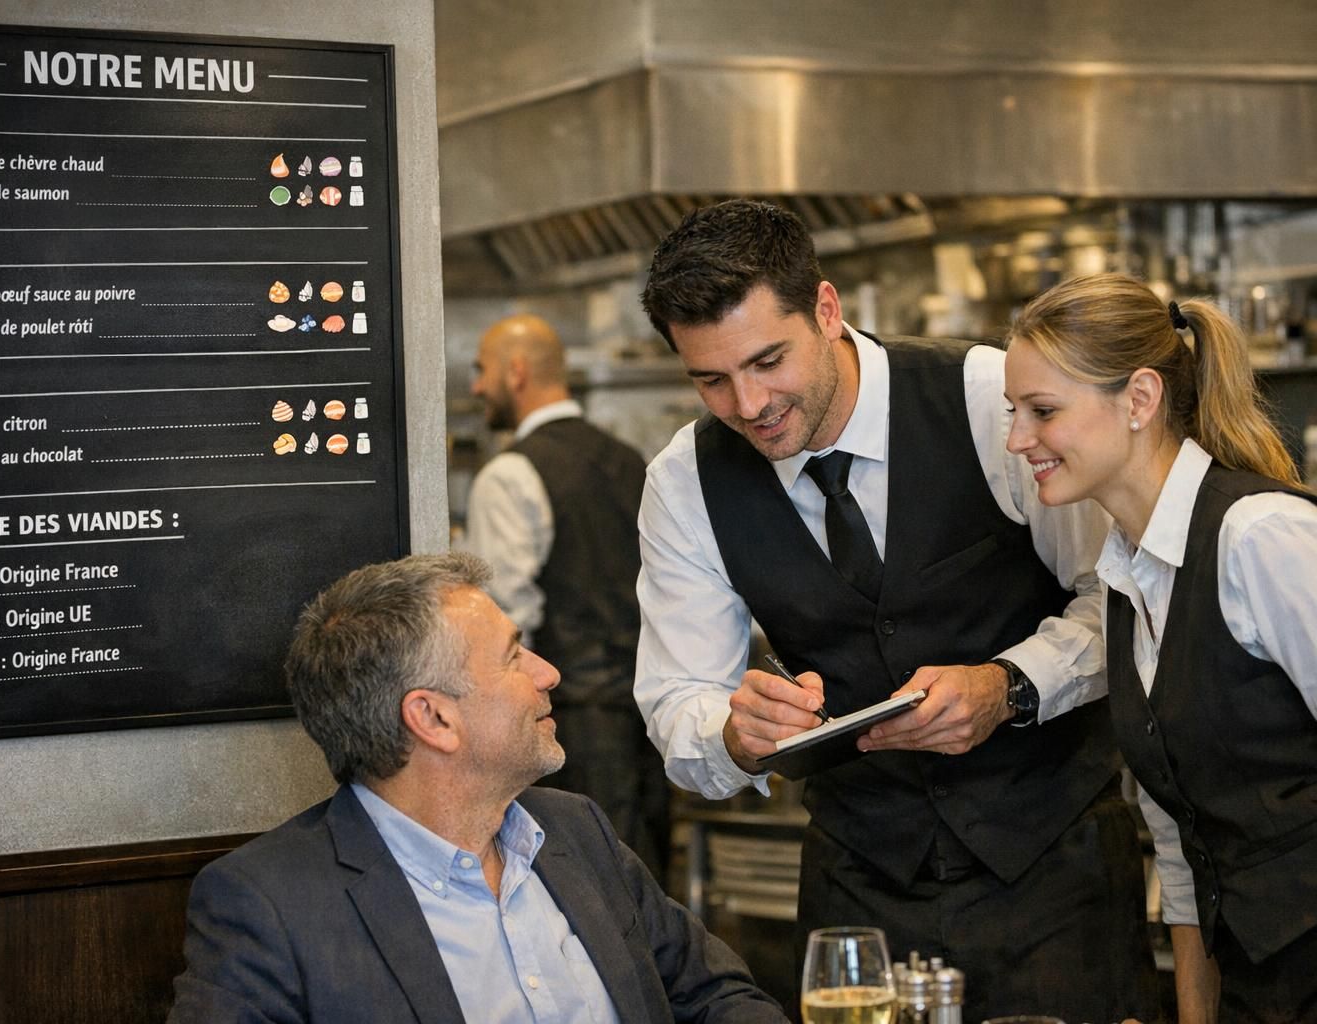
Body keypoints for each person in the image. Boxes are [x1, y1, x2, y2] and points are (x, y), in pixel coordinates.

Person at [634, 200, 1160, 1024]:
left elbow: (1118, 595)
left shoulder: (991, 400)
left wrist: (1009, 685)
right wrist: (734, 733)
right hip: (859, 889)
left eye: (769, 360)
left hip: (1053, 870)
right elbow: (677, 701)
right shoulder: (684, 482)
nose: (748, 403)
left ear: (827, 310)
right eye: (710, 379)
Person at [167, 552, 786, 1024]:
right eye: (515, 656)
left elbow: (716, 996)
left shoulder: (575, 830)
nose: (550, 673)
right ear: (433, 718)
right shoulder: (267, 905)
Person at [1005, 273, 1317, 1024]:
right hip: (1257, 988)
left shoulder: (1260, 537)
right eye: (1012, 413)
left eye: (1042, 411)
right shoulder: (1124, 578)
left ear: (1140, 399)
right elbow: (1183, 849)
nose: (1018, 440)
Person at [464, 313, 670, 876]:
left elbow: (505, 622)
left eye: (482, 371)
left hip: (569, 726)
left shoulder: (509, 474)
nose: (477, 386)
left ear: (517, 371)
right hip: (650, 720)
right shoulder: (631, 461)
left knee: (587, 892)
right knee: (646, 885)